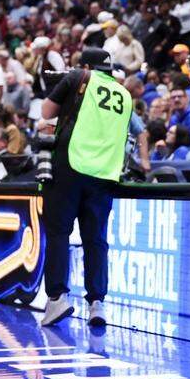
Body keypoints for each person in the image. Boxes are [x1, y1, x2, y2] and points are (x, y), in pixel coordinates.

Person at [38, 48, 132, 328]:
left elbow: (46, 113)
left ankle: (57, 298)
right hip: (105, 173)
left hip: (71, 164)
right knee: (96, 239)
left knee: (58, 233)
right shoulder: (125, 94)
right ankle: (97, 303)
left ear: (87, 66)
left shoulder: (79, 76)